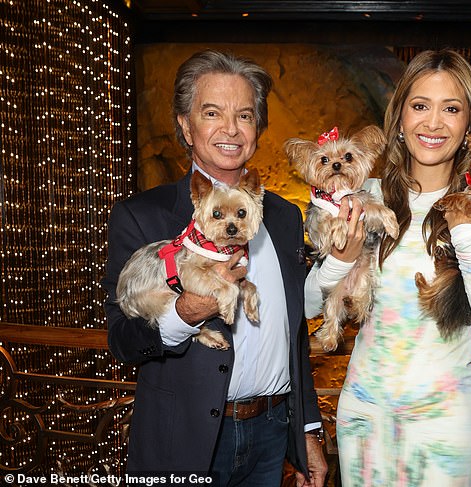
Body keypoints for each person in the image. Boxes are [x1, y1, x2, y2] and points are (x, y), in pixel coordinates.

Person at [103, 50, 328, 487]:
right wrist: (183, 314)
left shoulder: (283, 216)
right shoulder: (140, 215)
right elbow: (122, 341)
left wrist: (307, 431)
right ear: (186, 125)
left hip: (271, 433)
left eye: (244, 115)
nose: (231, 129)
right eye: (212, 113)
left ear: (258, 129)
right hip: (183, 439)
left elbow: (294, 334)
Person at [305, 49, 471, 486]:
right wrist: (341, 260)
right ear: (400, 119)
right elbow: (308, 303)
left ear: (468, 127)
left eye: (452, 109)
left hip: (443, 422)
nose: (433, 122)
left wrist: (465, 234)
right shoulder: (360, 196)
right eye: (420, 106)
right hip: (365, 413)